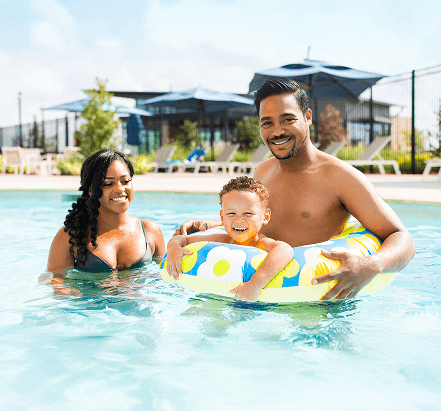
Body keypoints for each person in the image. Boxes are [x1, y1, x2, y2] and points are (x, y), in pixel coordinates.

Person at [174, 79, 416, 300]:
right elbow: (262, 223)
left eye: (287, 119)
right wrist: (206, 225)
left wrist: (372, 265)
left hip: (312, 300)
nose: (277, 131)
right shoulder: (263, 172)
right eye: (267, 123)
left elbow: (403, 239)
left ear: (308, 116)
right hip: (257, 291)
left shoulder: (341, 177)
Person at [45, 149, 165, 285]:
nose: (120, 189)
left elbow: (167, 273)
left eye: (125, 181)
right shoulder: (70, 236)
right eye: (108, 184)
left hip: (139, 304)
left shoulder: (150, 231)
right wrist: (68, 293)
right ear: (91, 190)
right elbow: (53, 279)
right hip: (90, 304)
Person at [166, 176, 293, 302]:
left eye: (248, 213)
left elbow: (285, 250)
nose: (238, 220)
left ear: (265, 216)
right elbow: (182, 240)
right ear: (222, 217)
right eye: (231, 213)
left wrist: (254, 285)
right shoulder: (222, 240)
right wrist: (173, 248)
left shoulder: (260, 243)